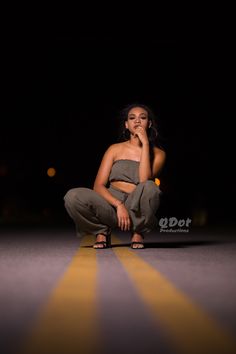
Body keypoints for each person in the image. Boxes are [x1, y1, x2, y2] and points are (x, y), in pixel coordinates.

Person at [64, 103, 166, 249]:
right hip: (111, 203)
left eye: (142, 118)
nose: (137, 121)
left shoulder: (158, 154)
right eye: (132, 118)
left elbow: (144, 181)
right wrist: (118, 205)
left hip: (135, 206)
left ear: (149, 124)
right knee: (72, 196)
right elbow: (98, 186)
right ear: (126, 124)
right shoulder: (114, 149)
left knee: (151, 187)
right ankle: (101, 230)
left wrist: (145, 145)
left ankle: (138, 231)